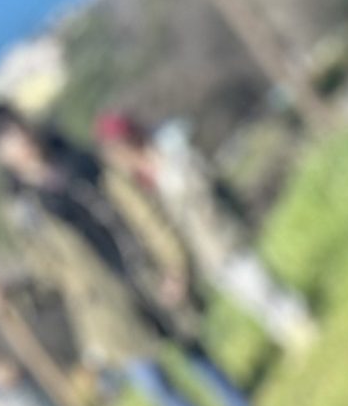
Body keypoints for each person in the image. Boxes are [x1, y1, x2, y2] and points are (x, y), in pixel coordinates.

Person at [0, 102, 251, 406]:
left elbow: (138, 209)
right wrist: (14, 296)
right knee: (155, 383)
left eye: (20, 131)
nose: (21, 143)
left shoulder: (81, 162)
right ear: (1, 154)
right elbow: (49, 275)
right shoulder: (22, 212)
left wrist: (173, 262)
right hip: (103, 309)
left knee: (190, 346)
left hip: (141, 270)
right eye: (9, 141)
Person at [96, 109, 317, 357]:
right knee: (243, 292)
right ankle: (286, 331)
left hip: (216, 229)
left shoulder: (168, 150)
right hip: (200, 248)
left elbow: (202, 181)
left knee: (255, 279)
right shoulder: (136, 179)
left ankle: (297, 320)